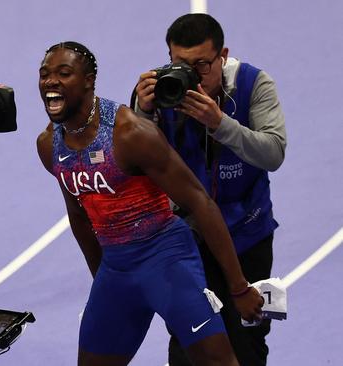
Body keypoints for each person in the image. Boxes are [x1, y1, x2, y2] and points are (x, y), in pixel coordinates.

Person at [36, 41, 264, 366]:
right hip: (116, 268)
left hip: (167, 259)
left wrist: (239, 288)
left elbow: (200, 201)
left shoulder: (130, 134)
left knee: (219, 362)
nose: (50, 81)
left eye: (63, 73)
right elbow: (79, 216)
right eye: (45, 74)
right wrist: (102, 278)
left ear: (88, 81)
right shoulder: (49, 146)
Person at [134, 13, 286, 365]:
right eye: (180, 64)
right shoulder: (159, 91)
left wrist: (220, 123)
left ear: (223, 55)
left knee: (247, 342)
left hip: (247, 235)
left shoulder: (254, 84)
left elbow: (273, 153)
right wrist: (141, 114)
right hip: (186, 240)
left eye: (202, 65)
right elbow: (134, 164)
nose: (191, 76)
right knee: (189, 344)